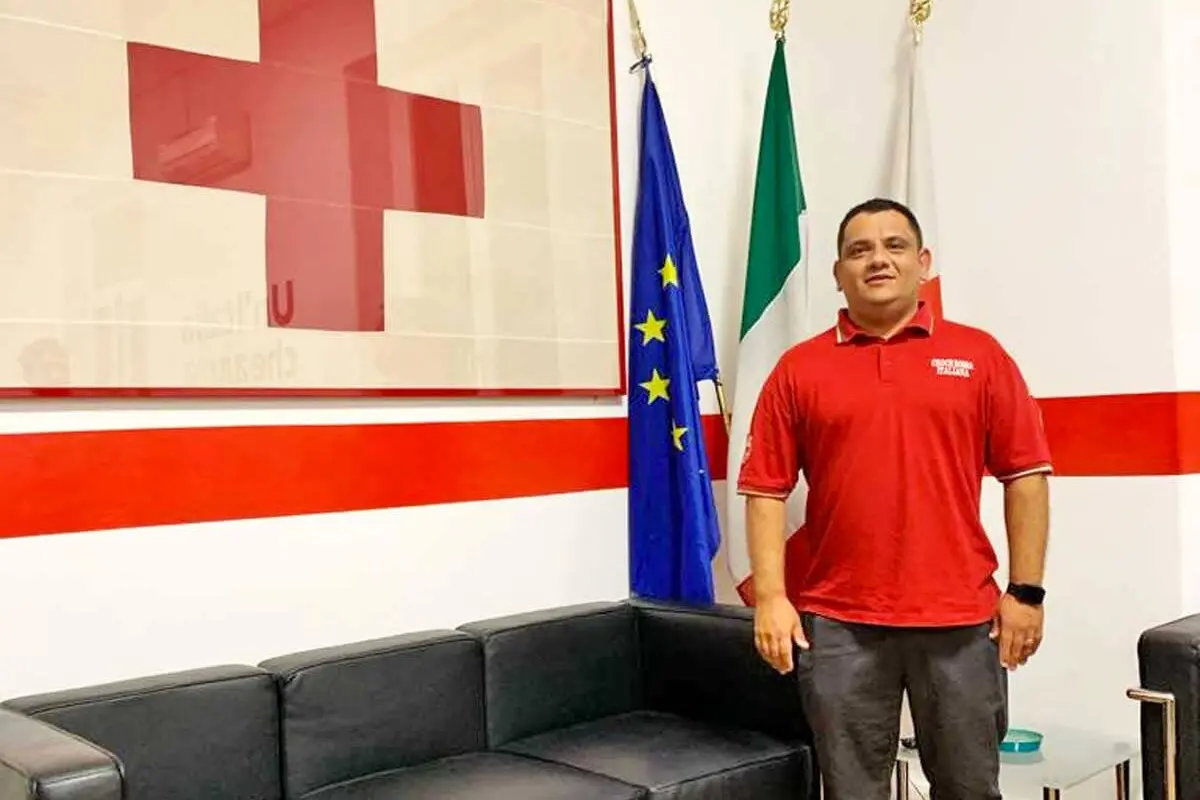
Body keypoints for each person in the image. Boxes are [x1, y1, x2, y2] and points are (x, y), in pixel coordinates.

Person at [736, 197, 1051, 800]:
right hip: (839, 625)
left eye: (894, 246)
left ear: (922, 262)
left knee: (969, 789)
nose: (877, 259)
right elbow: (765, 490)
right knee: (851, 791)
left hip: (961, 620)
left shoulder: (980, 357)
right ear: (838, 273)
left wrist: (1027, 593)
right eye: (859, 250)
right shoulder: (798, 369)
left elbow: (1027, 475)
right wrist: (771, 598)